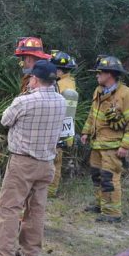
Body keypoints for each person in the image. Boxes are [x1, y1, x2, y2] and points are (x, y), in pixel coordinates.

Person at [0, 60, 65, 256]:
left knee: (9, 207)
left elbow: (4, 120)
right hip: (47, 163)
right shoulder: (62, 101)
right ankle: (30, 254)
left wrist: (23, 95)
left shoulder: (25, 101)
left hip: (23, 162)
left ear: (34, 79)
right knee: (36, 210)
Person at [81, 55, 129, 223]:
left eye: (99, 73)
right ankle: (101, 205)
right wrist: (86, 132)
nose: (97, 76)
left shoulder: (126, 95)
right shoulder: (98, 91)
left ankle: (112, 213)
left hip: (114, 147)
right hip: (97, 144)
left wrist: (126, 146)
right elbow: (92, 115)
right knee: (97, 176)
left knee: (109, 178)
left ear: (110, 74)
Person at [48, 50, 78, 197]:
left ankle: (50, 191)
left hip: (58, 130)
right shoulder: (67, 83)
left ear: (59, 70)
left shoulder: (64, 86)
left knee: (55, 161)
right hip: (60, 130)